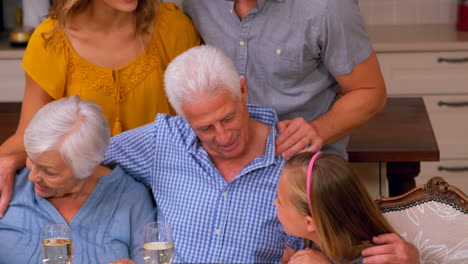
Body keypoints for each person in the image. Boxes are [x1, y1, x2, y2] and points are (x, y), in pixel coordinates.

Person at [102, 45, 416, 264]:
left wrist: (407, 258)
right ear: (182, 115)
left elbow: (356, 240)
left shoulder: (294, 157)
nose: (223, 137)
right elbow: (80, 158)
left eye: (228, 118)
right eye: (205, 128)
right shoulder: (163, 140)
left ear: (242, 91)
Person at [0, 0, 200, 216]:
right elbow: (27, 137)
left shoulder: (173, 27)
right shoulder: (51, 39)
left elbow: (196, 128)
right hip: (89, 205)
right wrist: (7, 160)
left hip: (165, 198)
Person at [183, 0, 386, 159]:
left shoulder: (328, 6)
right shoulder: (196, 4)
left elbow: (369, 91)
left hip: (302, 161)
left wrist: (316, 130)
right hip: (227, 163)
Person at [0, 96, 156, 264]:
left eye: (49, 172)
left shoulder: (131, 198)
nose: (32, 177)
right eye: (31, 160)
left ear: (89, 167)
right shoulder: (8, 183)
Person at [274, 152, 416, 264]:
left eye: (280, 202)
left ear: (310, 223)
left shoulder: (374, 258)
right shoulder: (300, 239)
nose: (275, 203)